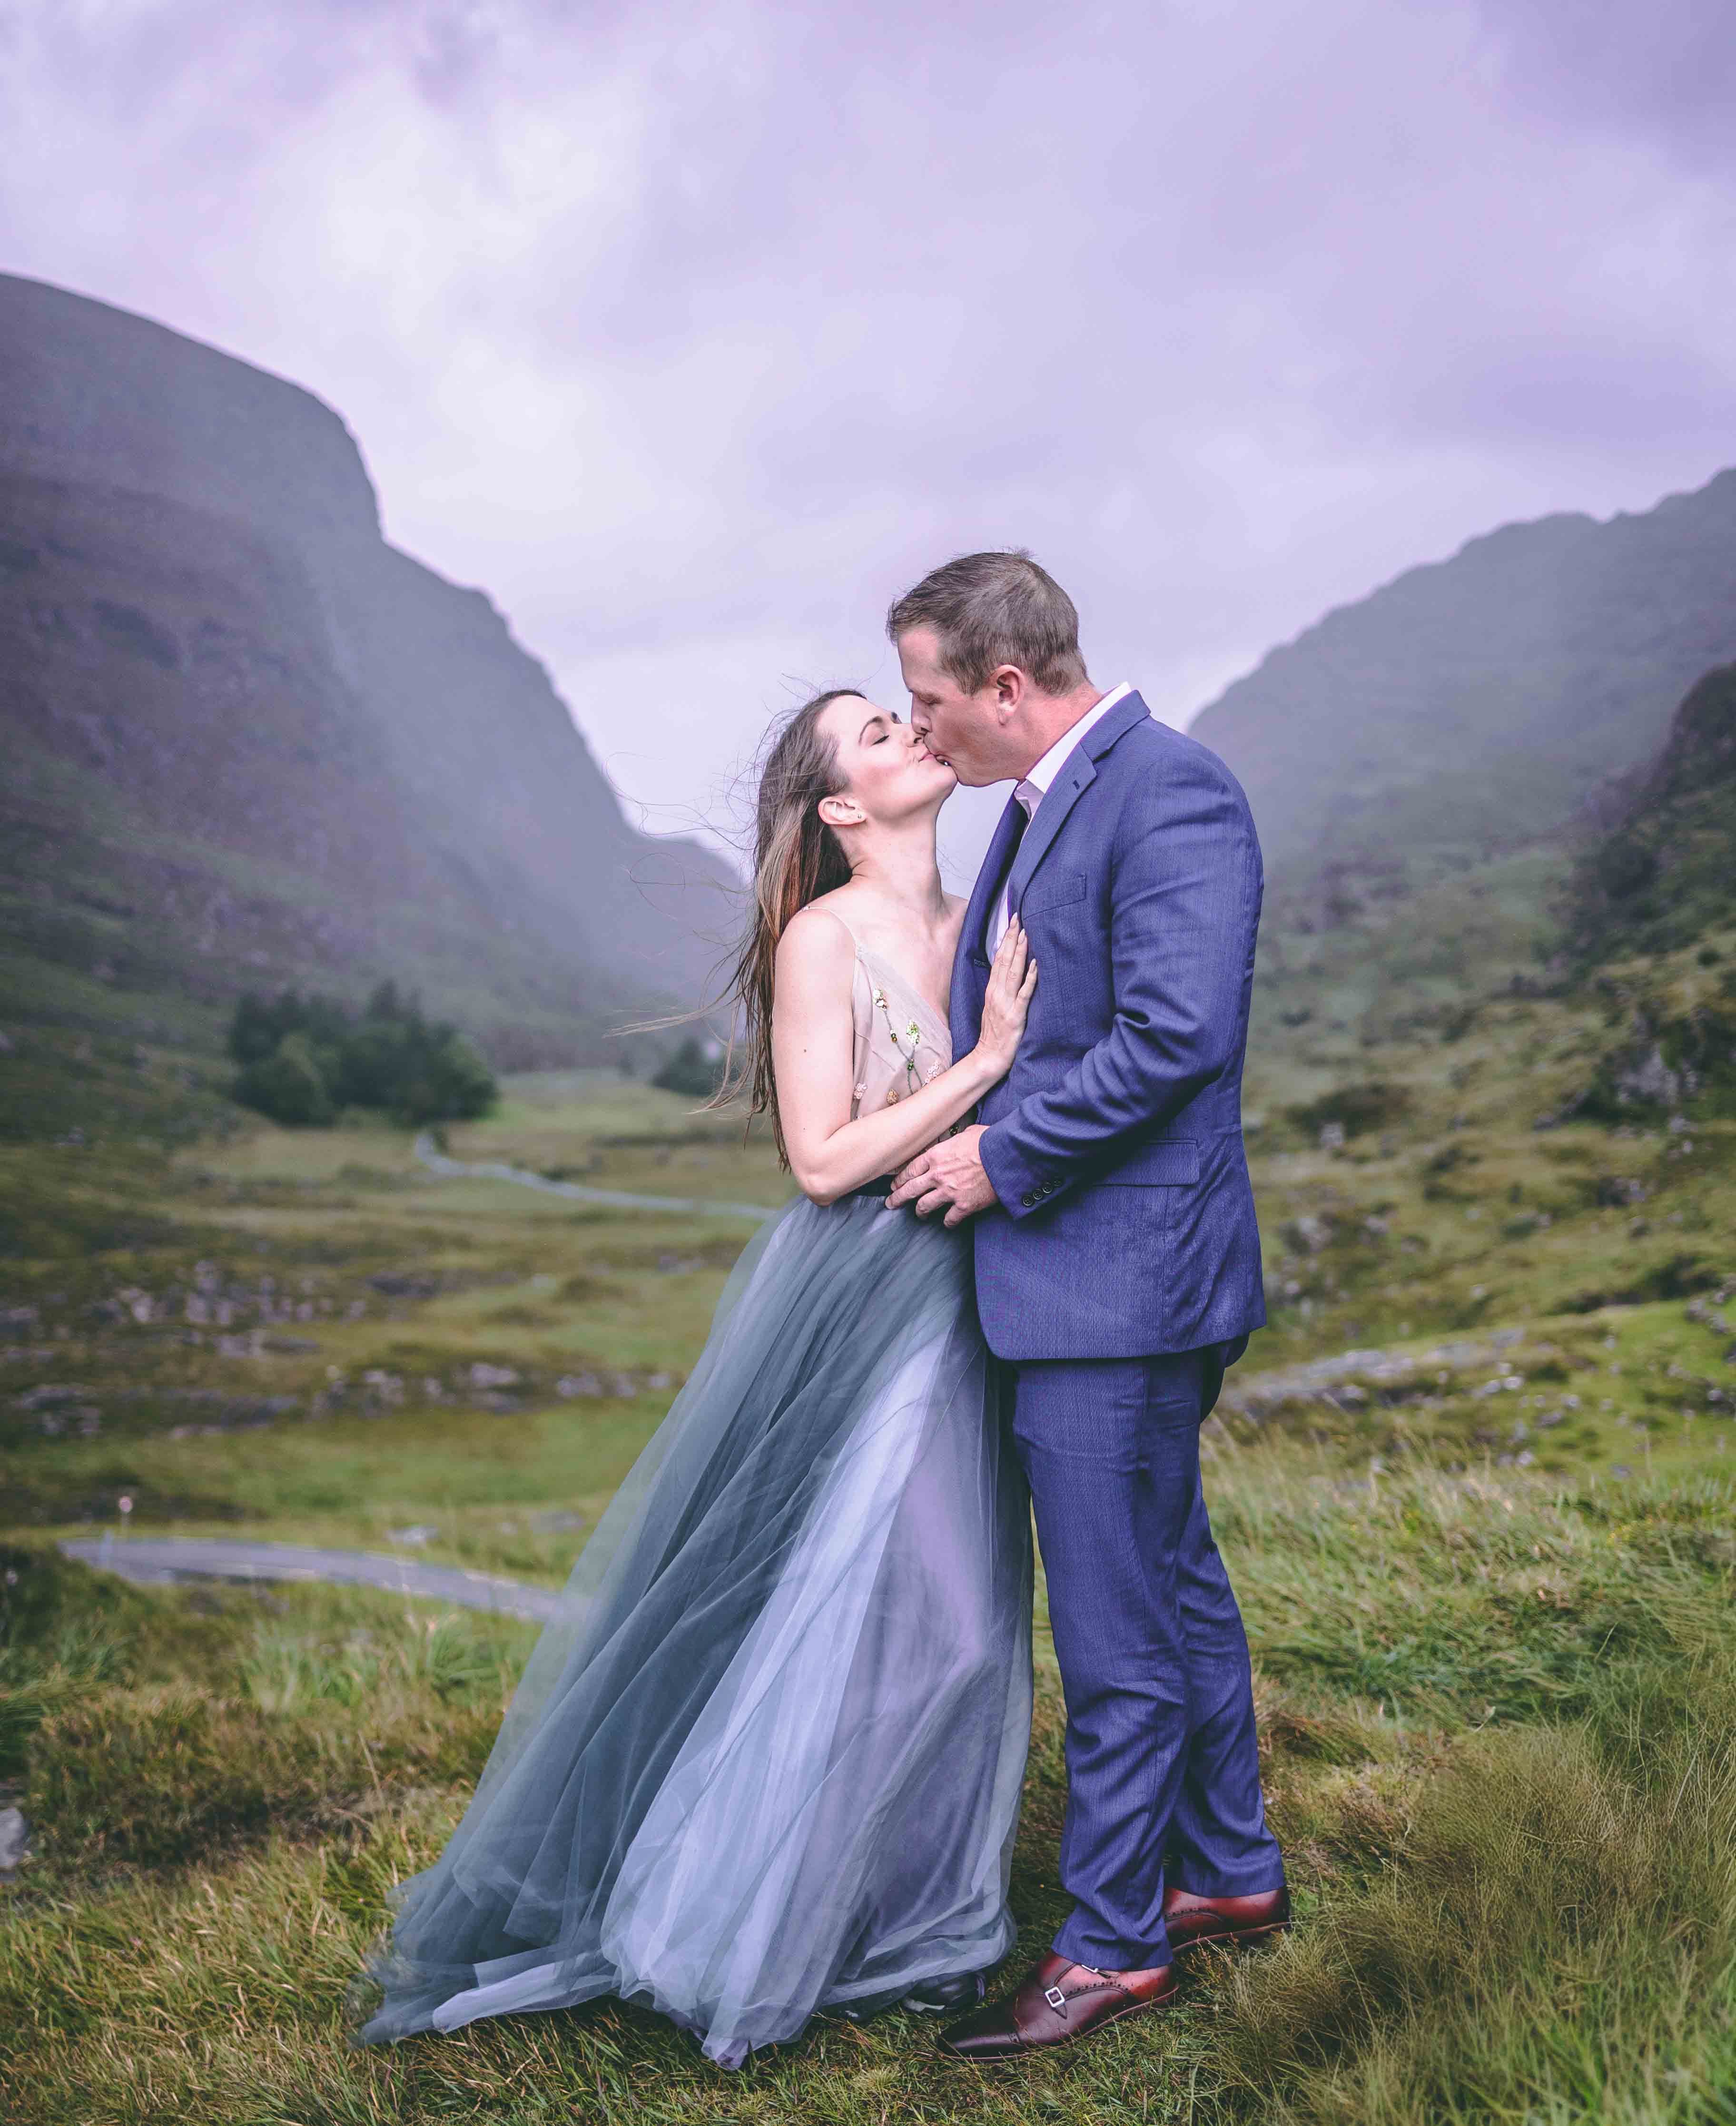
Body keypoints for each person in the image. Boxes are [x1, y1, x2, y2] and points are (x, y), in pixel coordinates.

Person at [354, 688, 1038, 2069]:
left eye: (908, 719)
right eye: (879, 734)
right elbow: (823, 1158)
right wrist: (985, 1059)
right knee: (871, 1607)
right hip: (865, 1299)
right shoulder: (821, 940)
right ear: (843, 808)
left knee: (955, 1628)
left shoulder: (982, 921)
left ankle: (890, 1909)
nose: (913, 733)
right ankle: (725, 1922)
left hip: (979, 1295)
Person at [885, 551, 1288, 2060]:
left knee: (1115, 1622)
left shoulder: (1168, 787)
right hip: (1096, 1277)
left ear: (1005, 685)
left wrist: (1005, 1156)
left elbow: (1181, 1031)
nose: (921, 732)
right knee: (1171, 1574)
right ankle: (1230, 1866)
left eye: (931, 701)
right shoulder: (1045, 800)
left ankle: (1113, 1942)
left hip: (1120, 1281)